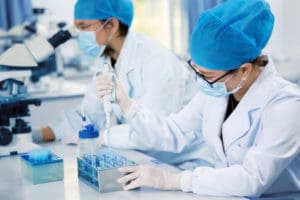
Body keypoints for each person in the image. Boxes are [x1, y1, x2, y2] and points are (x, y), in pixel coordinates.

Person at [97, 0, 300, 197]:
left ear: (244, 70)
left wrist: (172, 180)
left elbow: (251, 179)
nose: (202, 81)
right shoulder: (218, 90)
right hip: (224, 194)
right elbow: (174, 132)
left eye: (208, 75)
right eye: (197, 70)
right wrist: (127, 105)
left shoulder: (287, 106)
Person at [34, 0, 214, 169]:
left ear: (112, 25)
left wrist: (104, 136)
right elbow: (87, 117)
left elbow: (152, 131)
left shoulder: (156, 60)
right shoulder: (106, 61)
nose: (79, 36)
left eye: (84, 27)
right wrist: (36, 135)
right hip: (148, 159)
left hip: (185, 163)